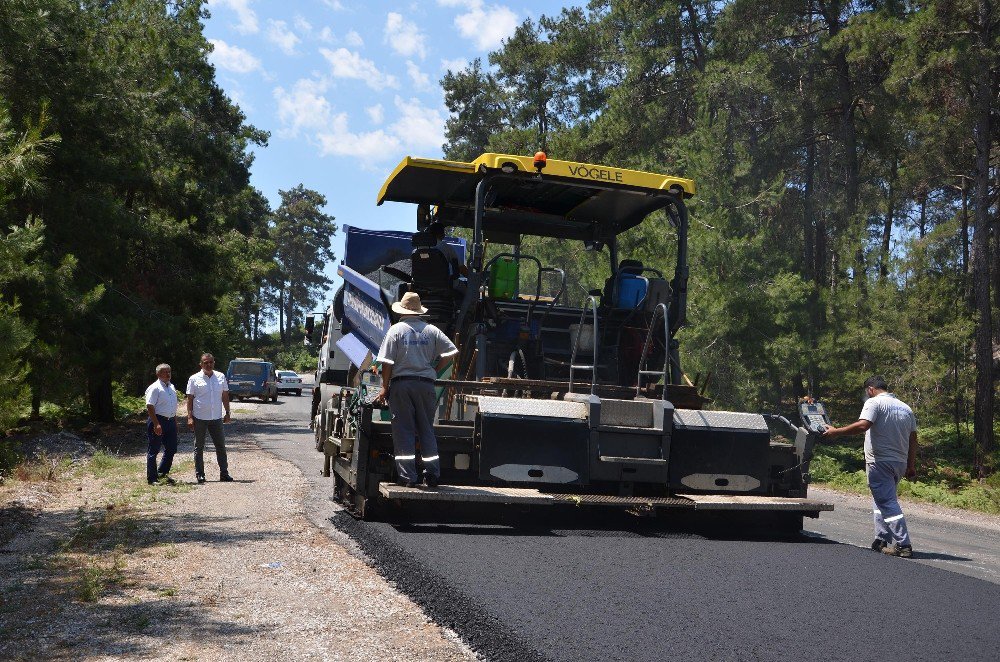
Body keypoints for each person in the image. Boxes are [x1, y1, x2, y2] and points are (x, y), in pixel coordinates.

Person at [824, 375, 918, 558]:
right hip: (899, 462)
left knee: (888, 502)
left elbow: (862, 426)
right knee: (881, 499)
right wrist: (911, 464)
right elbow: (913, 440)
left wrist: (836, 432)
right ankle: (881, 538)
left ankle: (903, 544)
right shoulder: (905, 408)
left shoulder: (874, 403)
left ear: (870, 389)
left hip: (880, 461)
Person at [374, 292, 458, 487]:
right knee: (426, 430)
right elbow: (452, 352)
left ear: (402, 310)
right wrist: (434, 370)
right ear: (419, 310)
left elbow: (386, 363)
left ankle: (409, 477)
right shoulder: (431, 330)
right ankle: (432, 474)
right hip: (426, 385)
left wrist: (384, 388)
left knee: (404, 431)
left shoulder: (396, 330)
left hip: (402, 385)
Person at [186, 353, 233, 484]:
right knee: (199, 447)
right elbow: (189, 399)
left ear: (214, 362)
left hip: (216, 417)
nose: (209, 364)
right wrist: (189, 417)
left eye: (211, 362)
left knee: (221, 446)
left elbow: (225, 395)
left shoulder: (220, 377)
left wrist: (228, 412)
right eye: (206, 362)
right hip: (199, 417)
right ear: (200, 364)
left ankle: (224, 473)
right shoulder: (194, 379)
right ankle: (200, 474)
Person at [144, 363, 178, 485]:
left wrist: (175, 421)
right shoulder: (155, 388)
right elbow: (150, 406)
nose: (168, 374)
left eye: (169, 371)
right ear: (158, 374)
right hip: (158, 420)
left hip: (170, 421)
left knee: (172, 448)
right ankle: (152, 479)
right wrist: (156, 423)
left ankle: (162, 473)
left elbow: (172, 405)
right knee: (154, 450)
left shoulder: (171, 387)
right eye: (165, 372)